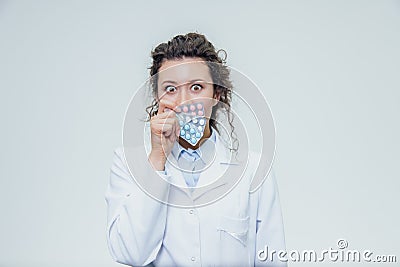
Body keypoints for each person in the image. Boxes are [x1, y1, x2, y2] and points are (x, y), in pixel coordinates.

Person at [105, 32, 287, 266]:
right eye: (171, 89)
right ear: (157, 97)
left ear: (217, 95)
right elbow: (131, 253)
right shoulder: (127, 164)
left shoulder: (253, 171)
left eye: (197, 87)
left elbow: (272, 260)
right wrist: (158, 156)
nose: (184, 101)